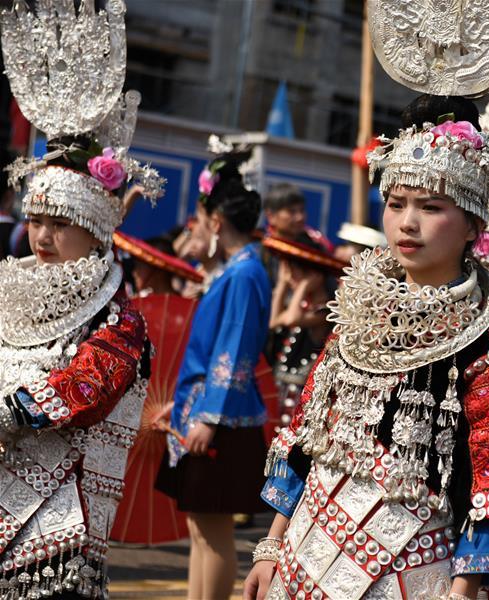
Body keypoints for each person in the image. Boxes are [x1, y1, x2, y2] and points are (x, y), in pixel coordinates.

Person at [243, 113, 489, 600]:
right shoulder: (356, 311)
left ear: (472, 225)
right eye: (395, 204)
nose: (407, 223)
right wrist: (270, 544)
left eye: (430, 207)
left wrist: (463, 591)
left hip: (418, 569)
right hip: (305, 553)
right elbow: (309, 433)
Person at [0, 1, 165, 597]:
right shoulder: (8, 286)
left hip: (59, 516)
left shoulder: (117, 315)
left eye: (60, 222)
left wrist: (10, 412)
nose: (42, 236)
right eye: (36, 218)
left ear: (95, 227)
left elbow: (89, 385)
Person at [156, 149, 272, 600]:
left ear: (218, 221)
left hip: (221, 419)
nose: (199, 228)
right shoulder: (237, 272)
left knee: (213, 528)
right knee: (201, 526)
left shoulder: (244, 274)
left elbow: (234, 352)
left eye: (202, 219)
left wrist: (208, 416)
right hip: (205, 411)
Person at [264, 234, 342, 432]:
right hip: (280, 400)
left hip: (301, 405)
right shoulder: (301, 308)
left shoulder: (327, 311)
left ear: (313, 275)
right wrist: (282, 284)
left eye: (294, 272)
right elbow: (273, 322)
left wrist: (304, 285)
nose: (290, 278)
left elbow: (290, 319)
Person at [260, 183, 334, 285]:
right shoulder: (261, 249)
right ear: (271, 216)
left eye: (302, 210)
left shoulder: (313, 249)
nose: (300, 217)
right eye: (292, 212)